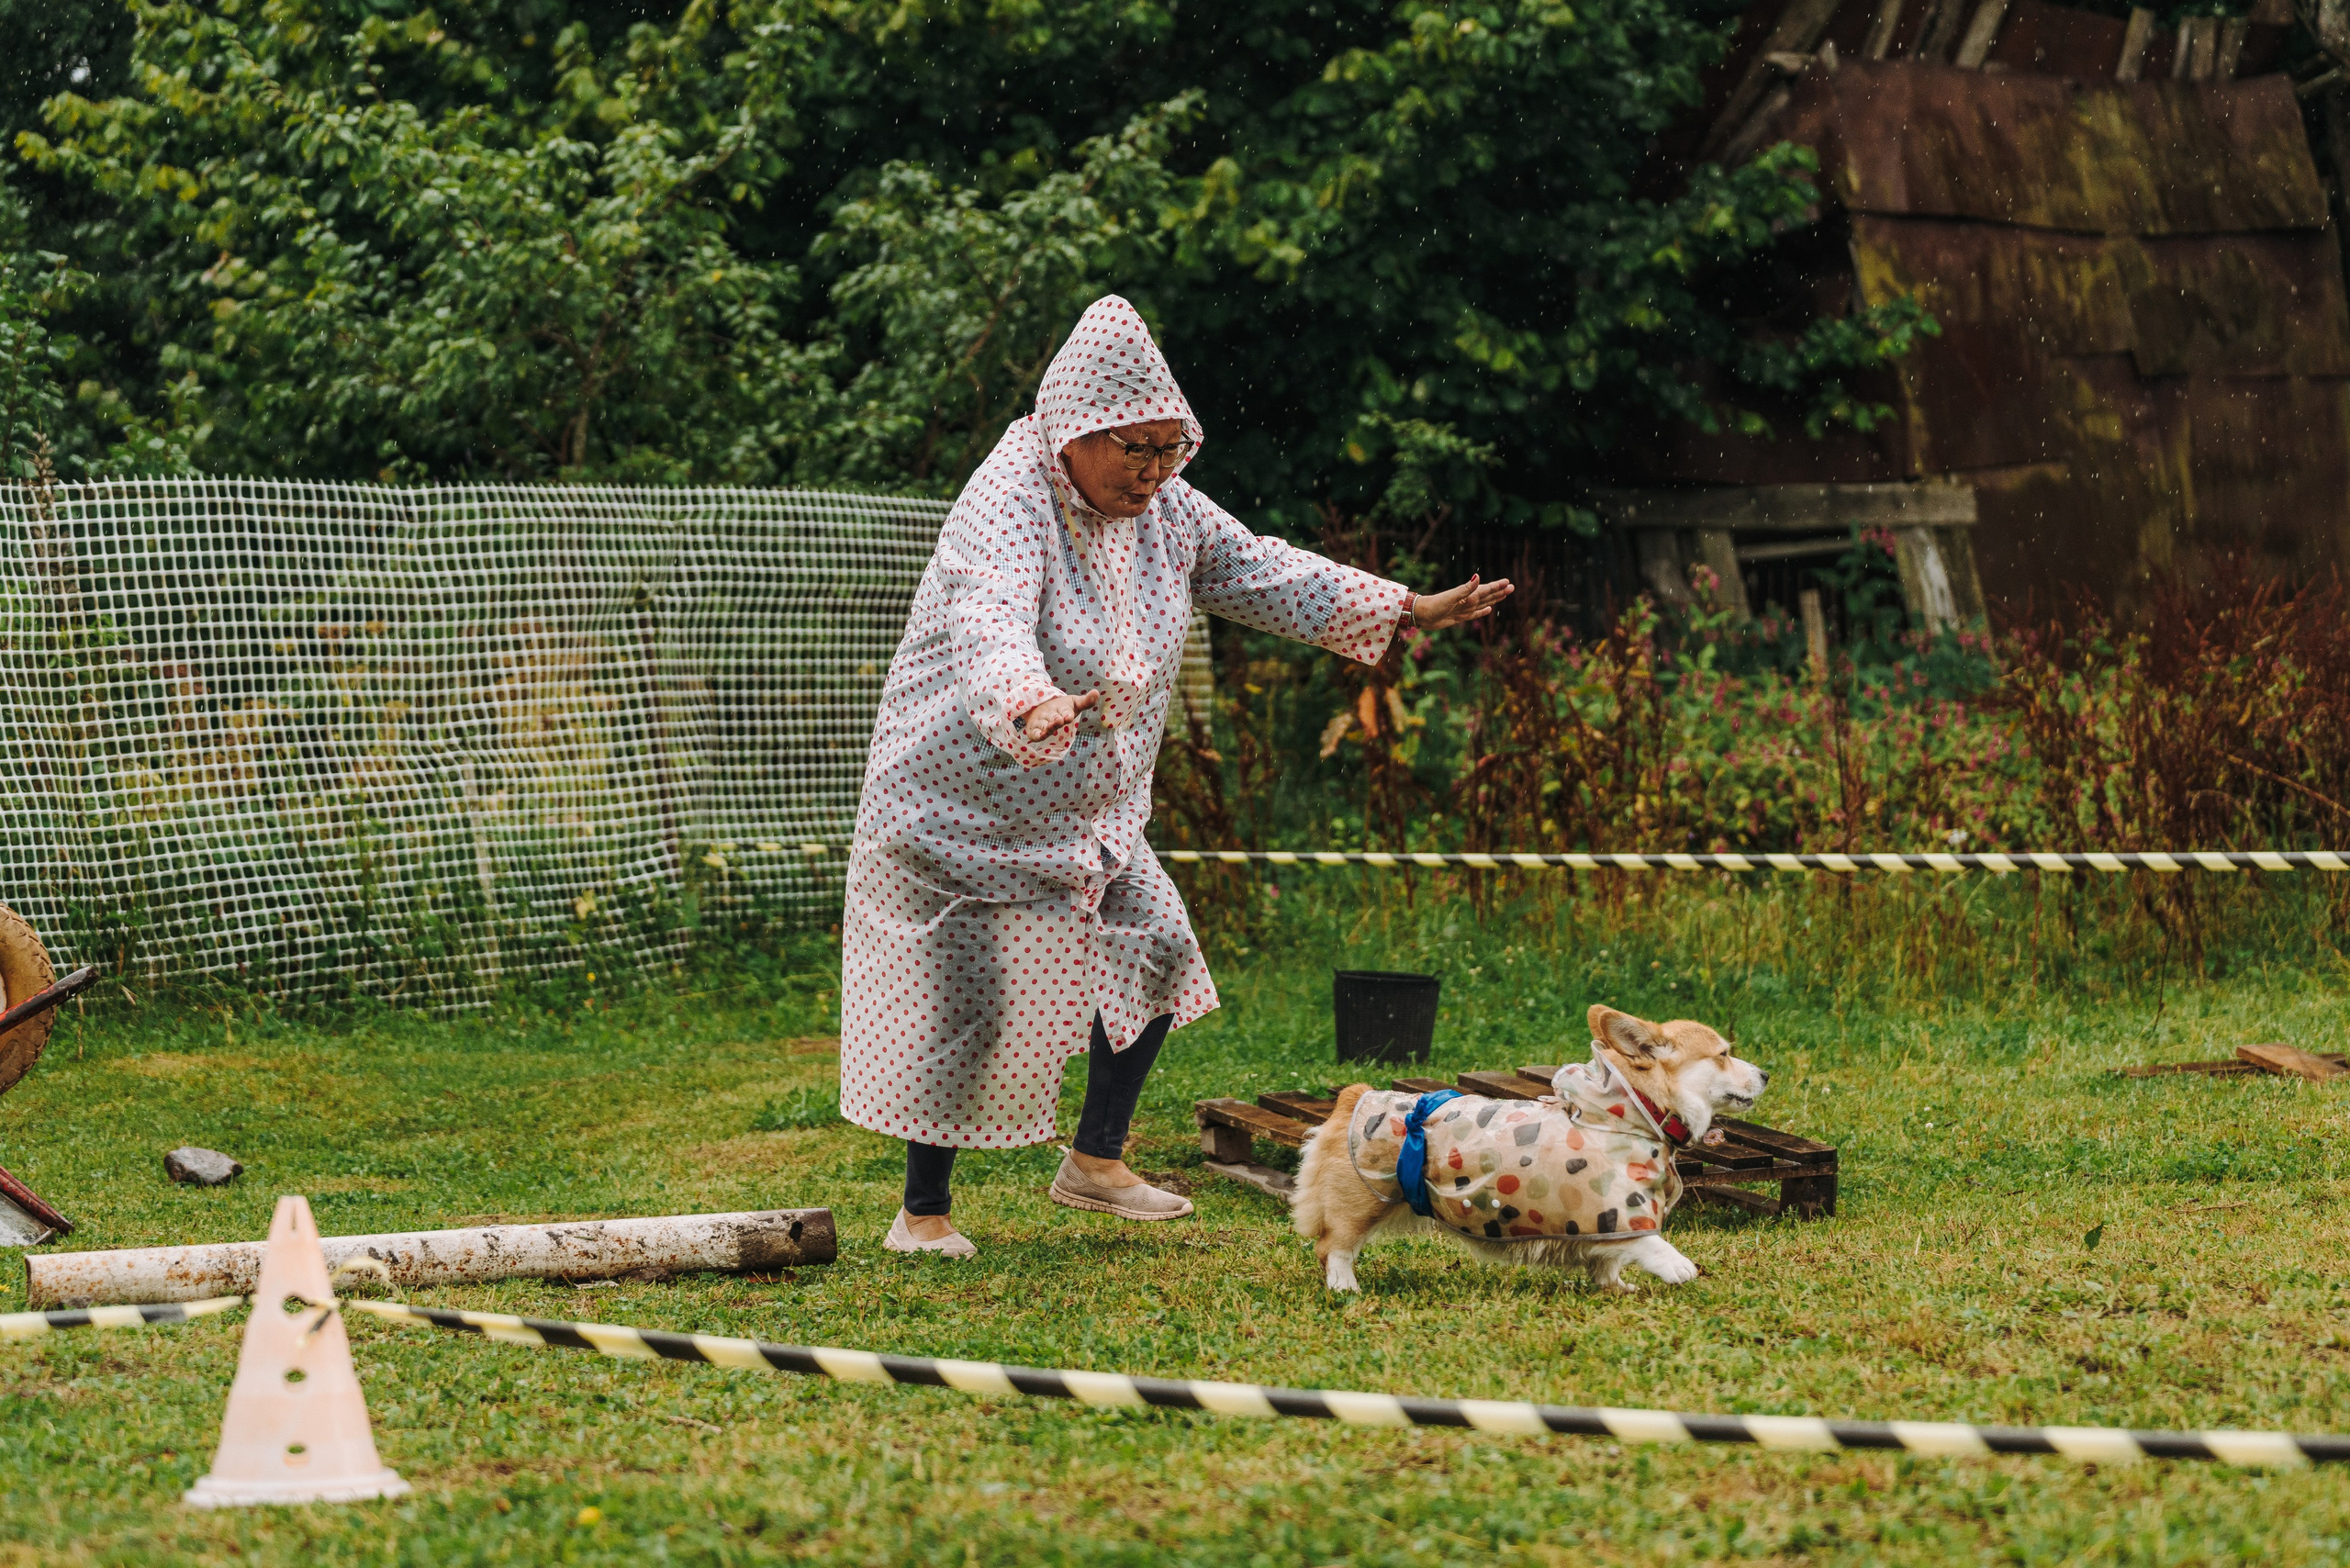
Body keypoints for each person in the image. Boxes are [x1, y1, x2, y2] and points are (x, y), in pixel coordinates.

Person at [839, 295, 1512, 1256]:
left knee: (1154, 951)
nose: (1154, 472)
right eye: (1136, 451)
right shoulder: (1008, 496)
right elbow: (984, 615)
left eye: (1168, 449)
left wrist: (1408, 606)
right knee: (967, 1009)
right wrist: (1029, 698)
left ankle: (1095, 1161)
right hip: (964, 803)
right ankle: (922, 1213)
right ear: (1077, 431)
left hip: (1088, 808)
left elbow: (1264, 571)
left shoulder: (1167, 513)